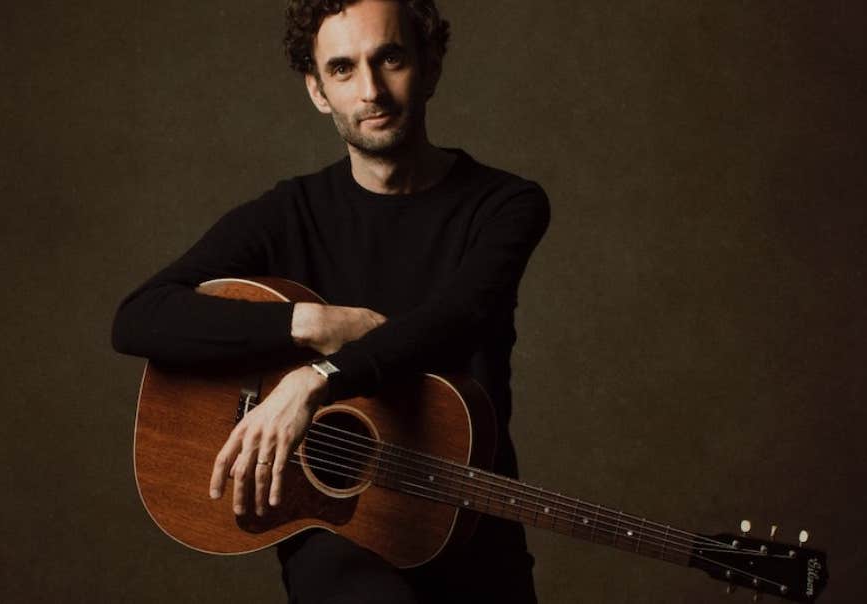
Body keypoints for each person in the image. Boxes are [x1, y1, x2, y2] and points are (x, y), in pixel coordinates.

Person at [112, 0, 550, 601]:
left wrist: (317, 380)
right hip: (343, 538)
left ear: (431, 64)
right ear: (317, 90)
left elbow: (455, 320)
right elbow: (139, 317)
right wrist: (307, 323)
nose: (370, 89)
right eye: (342, 69)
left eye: (389, 58)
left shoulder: (505, 206)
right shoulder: (287, 214)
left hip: (471, 532)